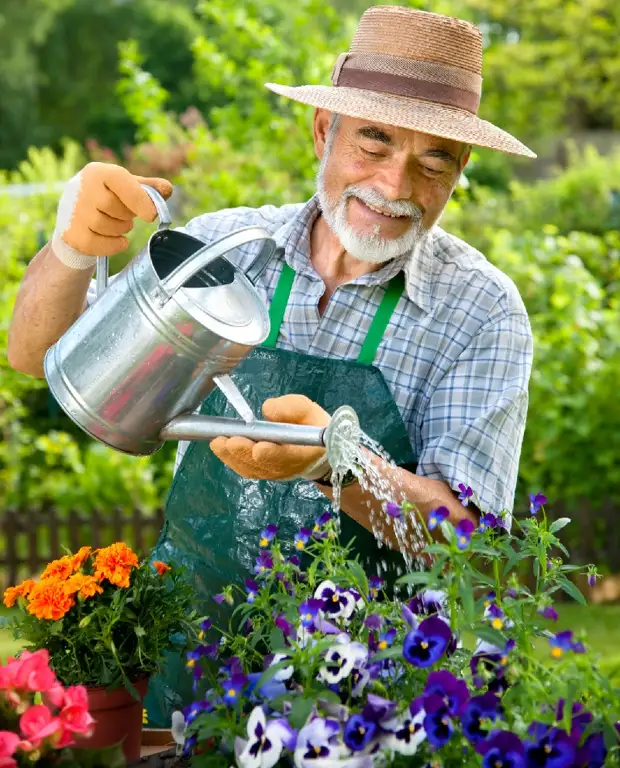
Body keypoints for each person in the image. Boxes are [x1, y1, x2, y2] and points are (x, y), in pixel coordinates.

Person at [8, 6, 534, 724]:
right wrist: (73, 248)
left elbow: (472, 552)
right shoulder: (223, 251)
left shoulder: (480, 311)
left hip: (360, 691)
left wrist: (335, 464)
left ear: (459, 172)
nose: (394, 184)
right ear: (325, 132)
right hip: (190, 653)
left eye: (432, 159)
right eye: (373, 142)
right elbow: (38, 358)